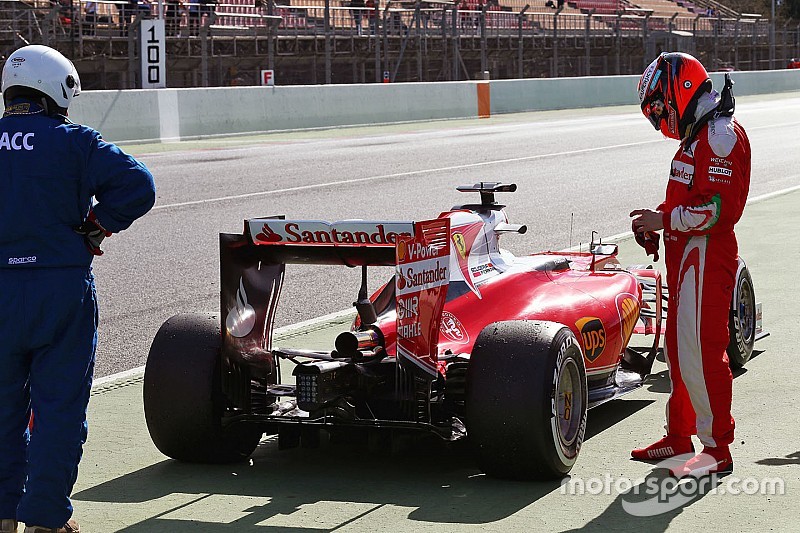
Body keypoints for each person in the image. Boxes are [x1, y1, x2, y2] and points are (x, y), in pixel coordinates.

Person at [0, 45, 156, 533]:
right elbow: (139, 186)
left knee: (2, 412)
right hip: (60, 290)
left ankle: (3, 514)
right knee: (59, 411)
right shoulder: (75, 140)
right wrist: (97, 227)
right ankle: (45, 521)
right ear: (58, 89)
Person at [630, 52, 750, 478]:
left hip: (708, 258)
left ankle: (718, 448)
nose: (659, 118)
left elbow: (719, 211)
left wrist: (664, 220)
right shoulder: (698, 136)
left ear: (680, 89)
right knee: (679, 353)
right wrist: (658, 223)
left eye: (659, 107)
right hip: (686, 260)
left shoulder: (720, 136)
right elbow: (687, 199)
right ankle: (679, 437)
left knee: (702, 353)